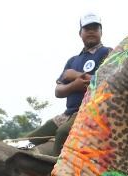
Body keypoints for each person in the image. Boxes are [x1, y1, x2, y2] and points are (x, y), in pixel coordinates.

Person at [31, 12, 113, 149]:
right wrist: (74, 86)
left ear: (101, 32)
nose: (91, 31)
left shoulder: (108, 53)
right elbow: (58, 91)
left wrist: (76, 75)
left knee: (62, 133)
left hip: (92, 111)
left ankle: (58, 170)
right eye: (87, 29)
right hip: (68, 114)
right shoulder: (73, 60)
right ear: (80, 33)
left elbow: (110, 82)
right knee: (30, 139)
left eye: (95, 28)